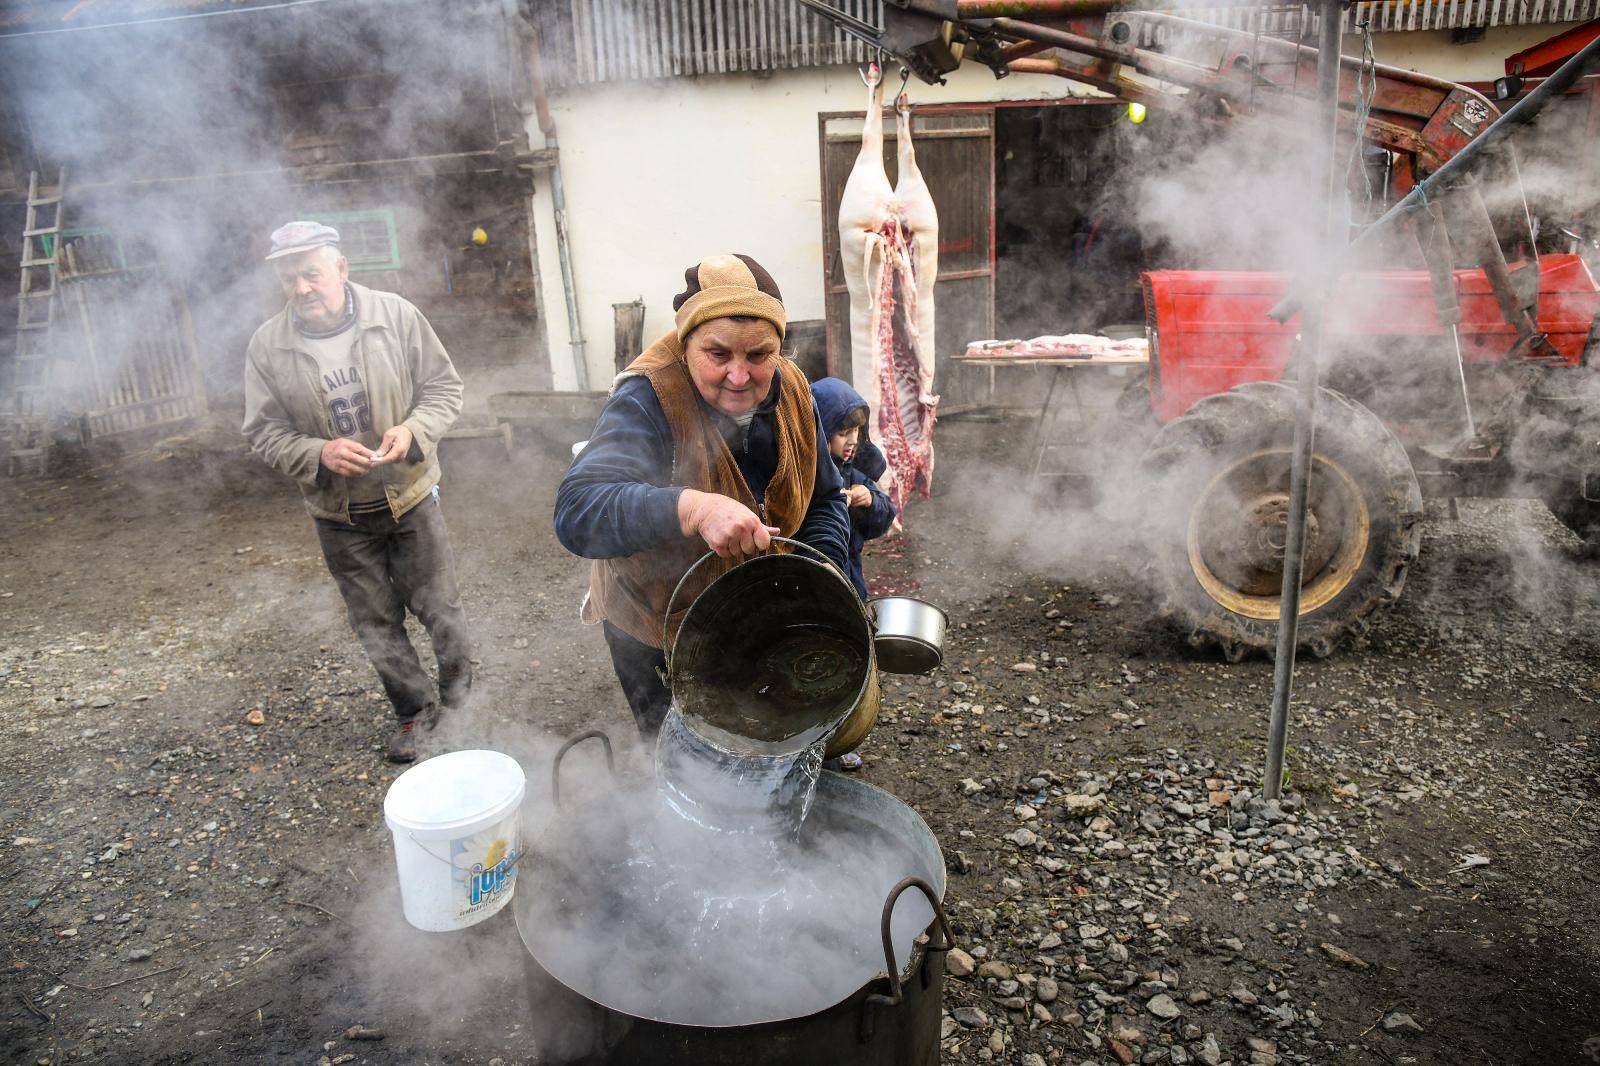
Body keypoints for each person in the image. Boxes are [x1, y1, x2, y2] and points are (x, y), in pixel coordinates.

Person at [555, 253, 850, 740]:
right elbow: (577, 510)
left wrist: (821, 574)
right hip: (658, 623)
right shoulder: (648, 396)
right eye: (718, 355)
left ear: (778, 348)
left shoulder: (794, 389)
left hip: (758, 617)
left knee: (767, 739)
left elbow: (825, 499)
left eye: (758, 356)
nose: (740, 376)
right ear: (686, 342)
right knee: (681, 757)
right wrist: (693, 507)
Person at [242, 220, 472, 763]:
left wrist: (413, 430)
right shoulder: (268, 345)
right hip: (338, 513)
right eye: (289, 278)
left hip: (410, 494)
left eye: (311, 274)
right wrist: (317, 453)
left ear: (341, 269)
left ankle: (464, 706)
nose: (301, 288)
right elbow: (263, 431)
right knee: (374, 620)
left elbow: (444, 388)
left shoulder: (395, 316)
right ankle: (415, 714)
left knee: (441, 607)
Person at [810, 377, 897, 601]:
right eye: (842, 433)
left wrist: (870, 501)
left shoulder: (852, 472)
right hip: (816, 584)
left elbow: (884, 518)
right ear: (821, 432)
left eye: (857, 430)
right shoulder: (805, 477)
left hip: (853, 585)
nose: (852, 440)